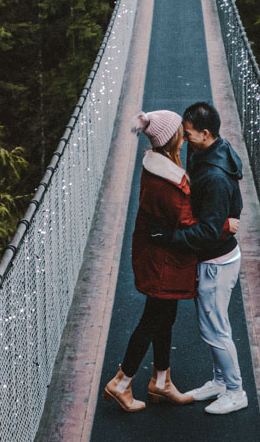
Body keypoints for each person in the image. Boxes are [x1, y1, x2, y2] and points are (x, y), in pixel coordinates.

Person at [152, 99, 247, 416]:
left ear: (206, 134)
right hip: (216, 258)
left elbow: (207, 233)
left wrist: (168, 238)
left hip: (216, 263)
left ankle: (236, 391)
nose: (183, 139)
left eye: (188, 134)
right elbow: (233, 208)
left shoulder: (216, 176)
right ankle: (220, 382)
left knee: (215, 330)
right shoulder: (210, 151)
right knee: (213, 324)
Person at [103, 110, 200, 413]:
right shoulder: (167, 181)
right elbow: (186, 221)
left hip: (157, 256)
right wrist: (222, 225)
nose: (185, 137)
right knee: (152, 319)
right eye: (181, 134)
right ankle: (121, 382)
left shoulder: (157, 167)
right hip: (162, 261)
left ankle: (161, 380)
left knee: (164, 315)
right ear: (172, 139)